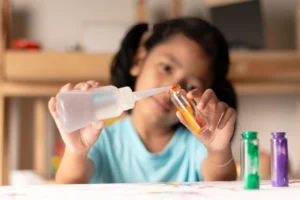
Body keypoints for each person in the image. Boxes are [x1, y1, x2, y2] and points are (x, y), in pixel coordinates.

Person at [48, 17, 238, 184]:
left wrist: (218, 150)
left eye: (189, 86)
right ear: (139, 60)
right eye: (166, 67)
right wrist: (76, 151)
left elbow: (222, 183)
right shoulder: (100, 139)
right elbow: (69, 184)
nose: (171, 88)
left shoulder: (196, 145)